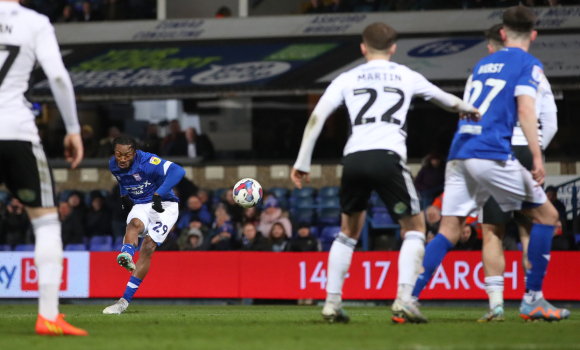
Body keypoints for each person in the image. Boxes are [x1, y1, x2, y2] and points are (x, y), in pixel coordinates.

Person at [290, 22, 478, 324]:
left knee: (347, 232)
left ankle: (331, 303)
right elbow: (444, 99)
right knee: (415, 229)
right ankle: (404, 299)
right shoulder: (406, 74)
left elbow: (317, 116)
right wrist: (467, 108)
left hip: (353, 159)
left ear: (363, 48)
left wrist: (302, 161)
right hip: (387, 158)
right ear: (393, 48)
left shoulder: (347, 78)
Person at [412, 6, 569, 322]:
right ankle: (533, 299)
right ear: (533, 35)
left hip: (460, 151)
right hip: (493, 153)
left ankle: (408, 297)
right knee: (547, 217)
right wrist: (538, 157)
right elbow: (529, 112)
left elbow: (465, 110)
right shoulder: (529, 65)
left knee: (451, 228)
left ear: (501, 34)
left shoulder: (481, 66)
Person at [0, 0, 86, 336]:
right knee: (46, 222)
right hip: (17, 133)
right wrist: (74, 129)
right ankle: (48, 316)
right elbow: (58, 78)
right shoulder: (34, 22)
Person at [475, 23, 559, 322]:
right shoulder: (536, 74)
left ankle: (496, 305)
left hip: (496, 152)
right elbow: (550, 123)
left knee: (492, 233)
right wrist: (535, 152)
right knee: (531, 227)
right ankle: (532, 297)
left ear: (493, 46)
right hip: (526, 149)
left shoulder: (483, 72)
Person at [103, 136, 185, 315]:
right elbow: (123, 179)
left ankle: (123, 302)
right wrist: (124, 196)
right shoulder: (113, 164)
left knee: (147, 247)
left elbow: (179, 171)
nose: (122, 159)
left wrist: (159, 194)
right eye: (118, 154)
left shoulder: (148, 162)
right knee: (134, 224)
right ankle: (126, 254)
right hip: (141, 203)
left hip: (165, 205)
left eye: (127, 155)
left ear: (134, 152)